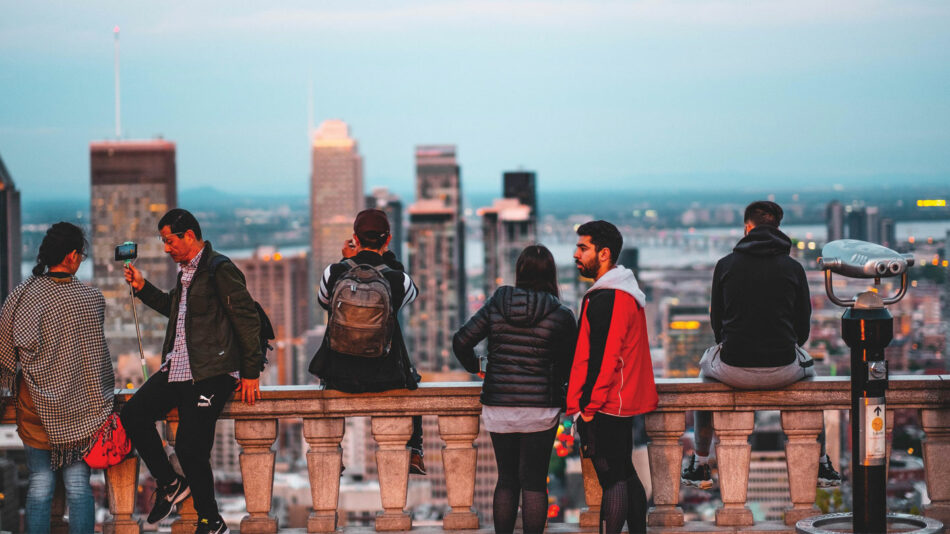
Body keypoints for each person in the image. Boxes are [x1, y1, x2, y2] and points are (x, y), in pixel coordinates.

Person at [681, 201, 841, 490]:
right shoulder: (794, 268)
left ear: (747, 227)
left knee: (704, 375)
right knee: (811, 374)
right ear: (778, 229)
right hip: (784, 368)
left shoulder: (725, 265)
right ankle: (821, 462)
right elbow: (802, 329)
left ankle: (701, 462)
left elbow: (717, 325)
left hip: (732, 367)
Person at [120, 208, 262, 534]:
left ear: (189, 235)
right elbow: (175, 308)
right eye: (163, 242)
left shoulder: (219, 269)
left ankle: (210, 521)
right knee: (134, 415)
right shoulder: (187, 273)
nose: (166, 248)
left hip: (212, 371)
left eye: (169, 241)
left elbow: (247, 319)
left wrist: (250, 373)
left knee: (188, 446)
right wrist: (142, 288)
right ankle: (170, 484)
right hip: (179, 366)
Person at [452, 245, 577, 534]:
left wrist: (478, 367)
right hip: (541, 408)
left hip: (500, 404)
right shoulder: (561, 314)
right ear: (551, 274)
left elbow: (461, 341)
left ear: (519, 272)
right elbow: (572, 365)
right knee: (534, 481)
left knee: (507, 479)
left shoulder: (498, 302)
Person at [0, 222, 114, 534]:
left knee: (39, 484)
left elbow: (5, 354)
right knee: (78, 486)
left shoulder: (21, 297)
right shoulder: (90, 300)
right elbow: (98, 363)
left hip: (34, 407)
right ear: (72, 256)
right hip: (80, 411)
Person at [310, 209, 425, 474]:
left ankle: (331, 452)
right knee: (413, 380)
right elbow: (409, 295)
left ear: (355, 239)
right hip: (387, 376)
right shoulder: (398, 279)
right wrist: (388, 259)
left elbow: (324, 302)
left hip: (340, 375)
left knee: (324, 384)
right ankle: (415, 450)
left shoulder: (333, 272)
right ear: (388, 240)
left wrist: (345, 260)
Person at [566, 220, 657, 534]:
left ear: (603, 253)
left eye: (583, 248)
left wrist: (588, 408)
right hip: (619, 400)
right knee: (625, 473)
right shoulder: (618, 292)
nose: (576, 254)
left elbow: (607, 357)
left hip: (607, 403)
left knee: (612, 477)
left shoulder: (610, 297)